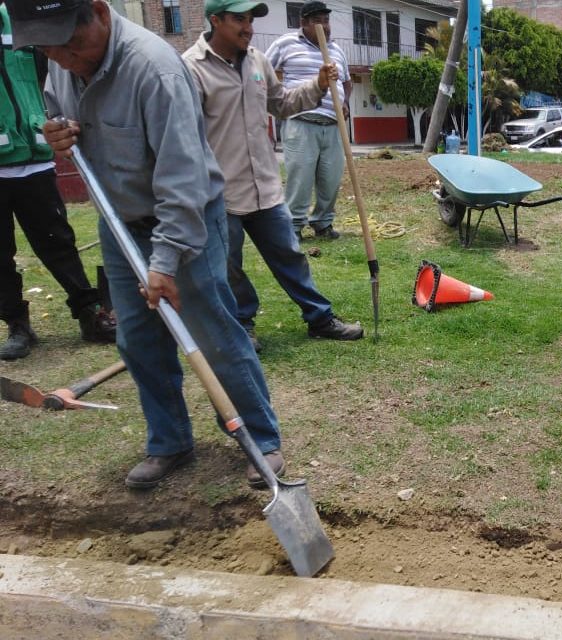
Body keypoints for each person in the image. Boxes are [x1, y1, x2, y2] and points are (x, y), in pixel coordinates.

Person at [16, 0, 286, 490]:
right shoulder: (62, 61)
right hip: (119, 223)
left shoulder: (155, 69)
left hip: (184, 217)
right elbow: (57, 112)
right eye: (47, 47)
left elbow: (182, 179)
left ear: (98, 12)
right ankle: (170, 441)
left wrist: (164, 262)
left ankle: (263, 440)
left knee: (215, 335)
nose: (61, 58)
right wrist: (59, 131)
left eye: (72, 44)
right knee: (137, 338)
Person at [182, 0, 363, 351]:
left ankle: (320, 318)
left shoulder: (257, 61)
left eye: (250, 19)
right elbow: (182, 134)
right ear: (215, 20)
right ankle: (243, 325)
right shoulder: (192, 69)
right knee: (229, 266)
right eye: (239, 19)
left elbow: (282, 104)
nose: (248, 27)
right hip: (220, 191)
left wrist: (319, 85)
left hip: (264, 186)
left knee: (290, 254)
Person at [0, 4, 115, 361]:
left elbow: (48, 71)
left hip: (34, 154)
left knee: (58, 241)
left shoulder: (17, 19)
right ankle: (18, 324)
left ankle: (88, 312)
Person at [264, 0, 351, 240]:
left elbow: (346, 82)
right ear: (303, 23)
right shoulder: (286, 44)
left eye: (326, 20)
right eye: (317, 21)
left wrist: (344, 103)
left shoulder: (336, 50)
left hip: (333, 125)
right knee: (300, 179)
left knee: (331, 179)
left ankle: (323, 223)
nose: (324, 26)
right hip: (301, 121)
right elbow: (261, 71)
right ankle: (293, 227)